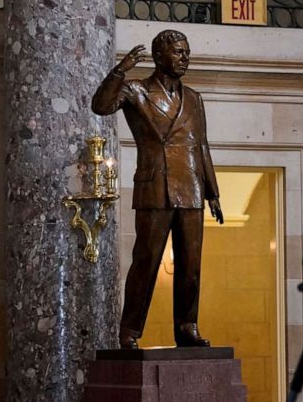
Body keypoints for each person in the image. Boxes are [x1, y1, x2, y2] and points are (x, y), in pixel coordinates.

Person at [91, 29, 224, 349]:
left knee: (191, 266)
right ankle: (130, 330)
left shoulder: (194, 98)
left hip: (191, 187)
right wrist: (119, 70)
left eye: (187, 52)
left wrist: (212, 192)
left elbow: (201, 146)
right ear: (159, 55)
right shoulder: (137, 90)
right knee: (146, 262)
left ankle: (187, 326)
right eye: (178, 52)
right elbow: (101, 105)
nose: (185, 58)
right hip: (156, 186)